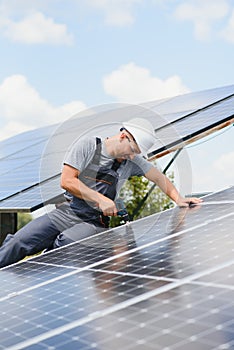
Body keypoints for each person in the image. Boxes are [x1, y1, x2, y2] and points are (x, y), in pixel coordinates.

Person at [0, 118, 202, 268]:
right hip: (67, 212)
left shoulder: (132, 161)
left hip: (94, 223)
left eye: (136, 153)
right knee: (18, 243)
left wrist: (179, 199)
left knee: (64, 244)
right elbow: (67, 181)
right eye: (132, 149)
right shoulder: (88, 146)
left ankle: (32, 288)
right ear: (123, 136)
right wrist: (100, 199)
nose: (132, 156)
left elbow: (159, 178)